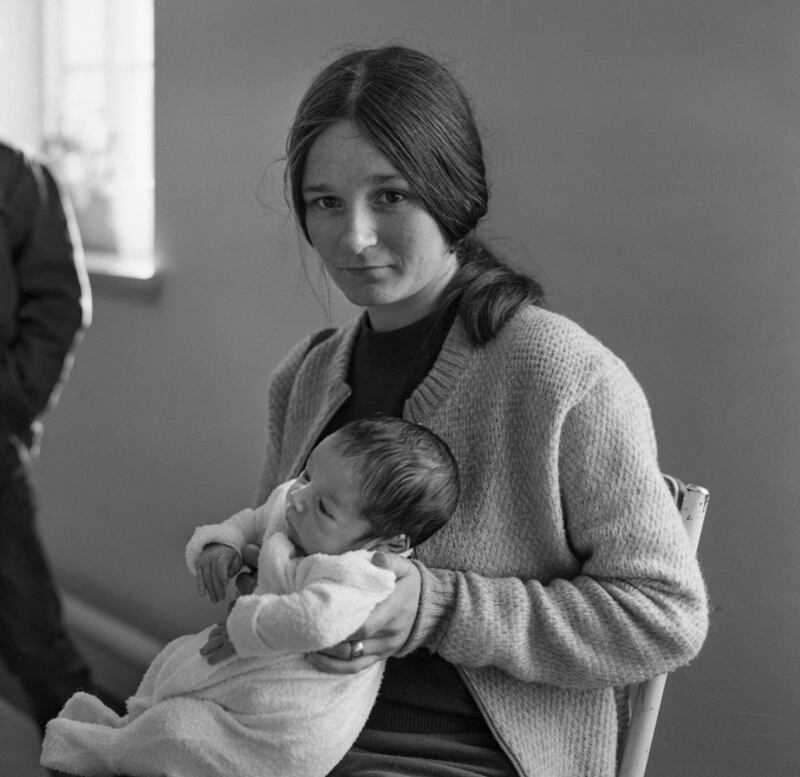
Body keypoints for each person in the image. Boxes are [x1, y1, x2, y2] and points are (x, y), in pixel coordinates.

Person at [242, 45, 709, 777]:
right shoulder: (303, 378)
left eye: (390, 195)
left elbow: (663, 615)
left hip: (467, 756)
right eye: (325, 202)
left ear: (450, 190)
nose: (354, 237)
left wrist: (438, 606)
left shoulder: (562, 376)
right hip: (288, 729)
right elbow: (275, 551)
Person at [40, 416, 460, 777]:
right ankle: (132, 726)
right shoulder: (297, 501)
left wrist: (246, 627)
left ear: (388, 543)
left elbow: (317, 622)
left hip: (285, 727)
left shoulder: (363, 573)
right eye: (307, 474)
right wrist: (224, 543)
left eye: (324, 508)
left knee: (179, 730)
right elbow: (258, 518)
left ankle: (111, 752)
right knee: (173, 662)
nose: (297, 499)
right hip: (248, 669)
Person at [0, 139, 95, 734]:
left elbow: (58, 302)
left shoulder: (18, 179)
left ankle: (85, 754)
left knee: (30, 624)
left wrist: (8, 400)